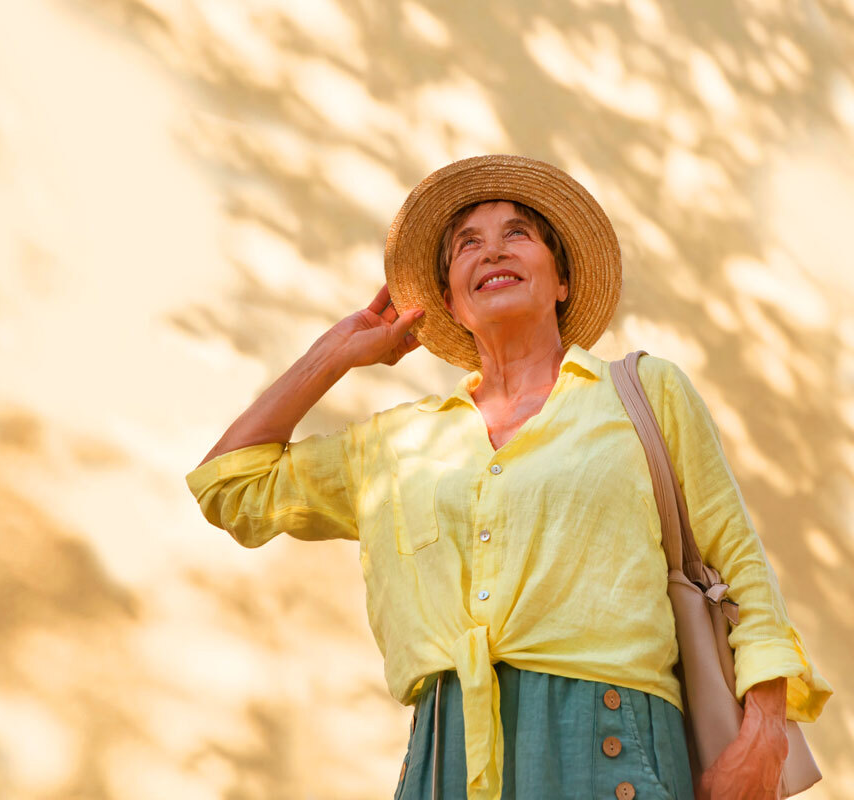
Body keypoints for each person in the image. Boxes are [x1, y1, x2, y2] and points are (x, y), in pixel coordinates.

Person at [185, 155, 831, 799]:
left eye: (517, 234)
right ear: (449, 303)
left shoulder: (643, 393)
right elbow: (228, 486)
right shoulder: (396, 443)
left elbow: (740, 563)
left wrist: (765, 731)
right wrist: (333, 354)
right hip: (445, 763)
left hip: (613, 750)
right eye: (467, 244)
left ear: (562, 283)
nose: (492, 251)